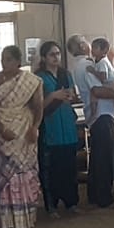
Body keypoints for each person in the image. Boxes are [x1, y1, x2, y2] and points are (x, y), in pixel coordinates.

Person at [0, 45, 44, 228]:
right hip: (3, 129)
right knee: (8, 174)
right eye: (3, 59)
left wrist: (34, 128)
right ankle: (9, 220)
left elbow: (38, 107)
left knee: (25, 173)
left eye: (9, 59)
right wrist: (2, 129)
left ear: (18, 61)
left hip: (24, 129)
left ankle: (26, 218)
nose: (4, 63)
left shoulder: (31, 81)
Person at [68, 33, 114, 209]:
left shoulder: (83, 65)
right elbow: (97, 90)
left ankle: (94, 194)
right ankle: (103, 197)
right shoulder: (87, 65)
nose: (91, 46)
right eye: (88, 43)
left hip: (97, 115)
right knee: (103, 158)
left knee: (98, 157)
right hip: (102, 114)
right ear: (83, 47)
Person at [35, 41, 80, 215]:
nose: (56, 57)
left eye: (58, 54)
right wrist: (53, 95)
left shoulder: (65, 74)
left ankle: (71, 202)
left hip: (67, 125)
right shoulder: (39, 78)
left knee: (69, 167)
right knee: (51, 169)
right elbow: (36, 106)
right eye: (52, 54)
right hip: (50, 126)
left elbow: (73, 95)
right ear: (44, 57)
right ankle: (52, 205)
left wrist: (70, 96)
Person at [85, 38, 114, 129]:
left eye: (95, 48)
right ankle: (93, 113)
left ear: (104, 51)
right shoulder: (99, 60)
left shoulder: (103, 62)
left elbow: (103, 77)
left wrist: (93, 71)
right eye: (92, 47)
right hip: (111, 83)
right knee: (94, 95)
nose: (92, 50)